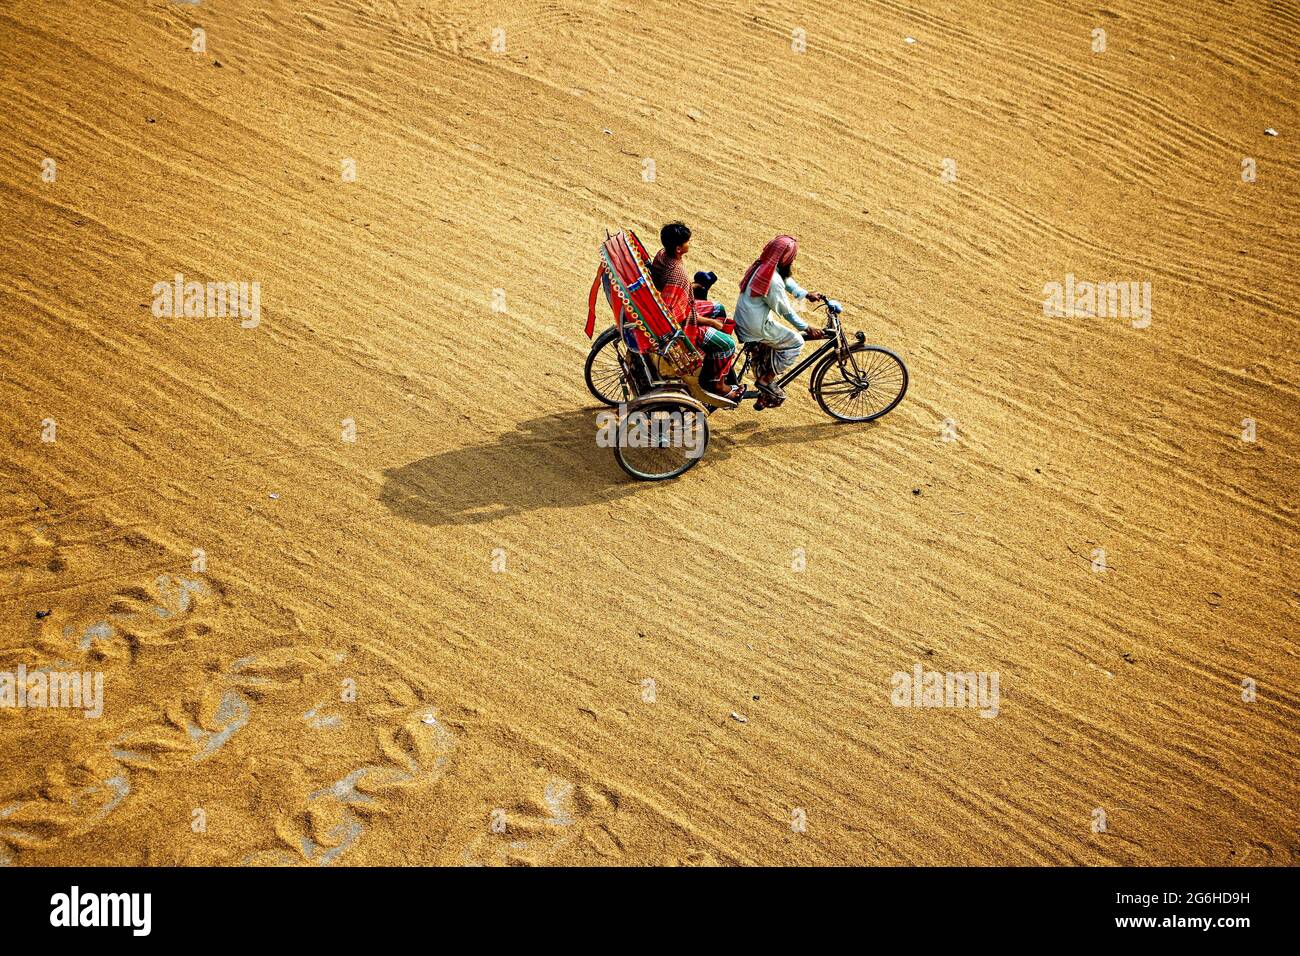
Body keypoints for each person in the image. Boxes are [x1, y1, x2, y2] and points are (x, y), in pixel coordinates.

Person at [649, 222, 742, 400]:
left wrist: (690, 288)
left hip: (676, 304)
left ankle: (712, 360)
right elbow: (677, 317)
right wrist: (711, 323)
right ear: (678, 248)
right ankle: (717, 384)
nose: (689, 244)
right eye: (687, 242)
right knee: (728, 344)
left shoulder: (662, 254)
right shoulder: (678, 275)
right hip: (682, 328)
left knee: (718, 308)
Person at [733, 235, 825, 406]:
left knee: (777, 342)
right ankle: (766, 380)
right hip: (755, 327)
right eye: (792, 257)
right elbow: (785, 310)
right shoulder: (773, 281)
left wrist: (804, 294)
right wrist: (806, 327)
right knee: (796, 342)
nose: (793, 260)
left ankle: (764, 392)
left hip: (745, 321)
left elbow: (786, 280)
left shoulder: (764, 266)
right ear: (784, 258)